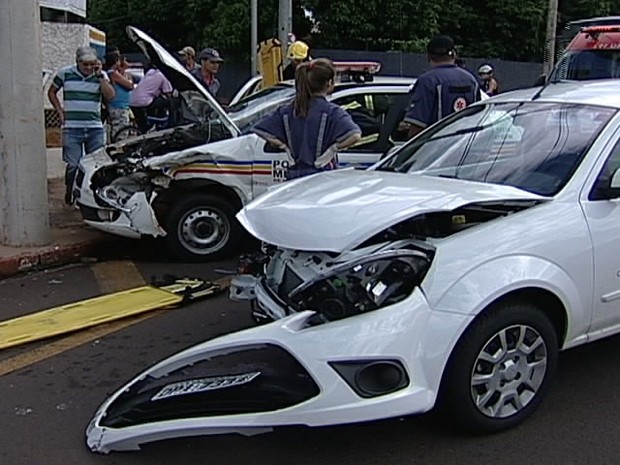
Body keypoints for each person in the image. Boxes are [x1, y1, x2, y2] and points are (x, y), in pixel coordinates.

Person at [252, 58, 362, 180]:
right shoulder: (332, 112)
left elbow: (260, 129)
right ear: (329, 83)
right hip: (322, 177)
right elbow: (355, 135)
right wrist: (332, 150)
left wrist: (285, 147)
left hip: (294, 176)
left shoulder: (288, 110)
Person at [47, 46, 115, 205]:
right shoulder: (65, 73)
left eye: (92, 64)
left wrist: (100, 76)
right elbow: (51, 92)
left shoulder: (100, 76)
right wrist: (59, 111)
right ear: (77, 62)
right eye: (86, 64)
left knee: (96, 165)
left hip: (95, 128)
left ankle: (91, 195)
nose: (89, 68)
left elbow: (111, 96)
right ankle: (69, 190)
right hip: (72, 127)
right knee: (73, 164)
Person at [403, 35, 481, 139]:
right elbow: (479, 118)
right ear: (454, 54)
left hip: (436, 149)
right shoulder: (471, 80)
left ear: (428, 56)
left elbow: (418, 126)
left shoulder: (427, 81)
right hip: (465, 146)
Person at [129, 61, 173, 133]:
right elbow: (168, 94)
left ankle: (151, 123)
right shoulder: (163, 76)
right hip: (144, 101)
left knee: (143, 126)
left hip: (132, 100)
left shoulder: (150, 73)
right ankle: (165, 121)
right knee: (170, 102)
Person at [104, 52, 134, 142]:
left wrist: (123, 69)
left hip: (119, 105)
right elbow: (129, 85)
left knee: (119, 128)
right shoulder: (112, 73)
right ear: (116, 61)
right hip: (118, 106)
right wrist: (125, 69)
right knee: (121, 130)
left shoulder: (113, 73)